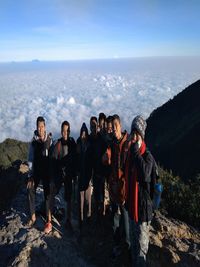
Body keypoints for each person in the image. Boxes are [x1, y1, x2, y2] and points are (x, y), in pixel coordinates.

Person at [125, 115, 154, 267]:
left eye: (137, 134)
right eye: (133, 133)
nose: (134, 137)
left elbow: (145, 174)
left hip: (142, 212)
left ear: (142, 135)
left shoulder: (147, 156)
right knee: (134, 247)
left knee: (142, 250)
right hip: (132, 208)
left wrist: (135, 152)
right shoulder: (131, 155)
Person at [108, 114, 130, 256]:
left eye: (115, 127)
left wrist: (122, 188)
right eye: (112, 128)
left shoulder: (127, 145)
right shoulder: (113, 144)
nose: (114, 130)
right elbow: (112, 166)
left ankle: (128, 246)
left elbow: (128, 171)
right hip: (115, 187)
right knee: (115, 217)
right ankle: (116, 244)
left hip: (124, 189)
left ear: (120, 126)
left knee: (126, 218)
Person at [27, 116, 53, 234]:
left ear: (45, 127)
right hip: (37, 171)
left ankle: (48, 220)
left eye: (42, 126)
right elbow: (30, 159)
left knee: (48, 193)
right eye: (38, 126)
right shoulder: (33, 142)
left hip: (47, 171)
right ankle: (33, 217)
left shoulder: (50, 140)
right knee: (31, 188)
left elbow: (53, 158)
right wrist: (30, 175)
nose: (40, 129)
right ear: (36, 127)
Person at [50, 121, 77, 230]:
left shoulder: (72, 143)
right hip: (59, 175)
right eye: (63, 130)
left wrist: (75, 174)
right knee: (52, 193)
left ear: (69, 131)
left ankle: (68, 220)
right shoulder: (58, 144)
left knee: (68, 198)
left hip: (69, 174)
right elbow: (53, 161)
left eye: (67, 130)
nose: (65, 132)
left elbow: (75, 158)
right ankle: (49, 218)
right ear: (61, 131)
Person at [77, 123, 93, 232]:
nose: (83, 136)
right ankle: (81, 223)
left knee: (88, 201)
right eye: (82, 134)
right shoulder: (78, 145)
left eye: (85, 134)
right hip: (80, 177)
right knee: (81, 202)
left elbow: (92, 163)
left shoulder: (89, 146)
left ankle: (88, 220)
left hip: (88, 178)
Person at [89, 116, 107, 218]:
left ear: (98, 126)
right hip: (94, 171)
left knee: (102, 194)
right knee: (96, 194)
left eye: (95, 125)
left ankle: (102, 213)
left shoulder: (101, 139)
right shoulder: (89, 139)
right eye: (92, 125)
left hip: (102, 171)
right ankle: (98, 214)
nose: (93, 127)